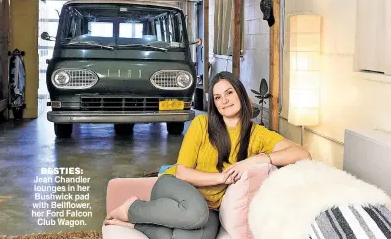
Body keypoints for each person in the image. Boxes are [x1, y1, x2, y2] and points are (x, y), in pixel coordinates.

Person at [104, 71, 312, 239]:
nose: (225, 100)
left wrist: (259, 158)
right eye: (218, 97)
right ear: (214, 103)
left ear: (240, 94)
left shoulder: (258, 135)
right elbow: (183, 173)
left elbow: (302, 154)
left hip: (209, 209)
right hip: (174, 187)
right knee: (196, 213)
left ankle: (134, 224)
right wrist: (221, 178)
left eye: (229, 93)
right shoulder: (202, 124)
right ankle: (132, 208)